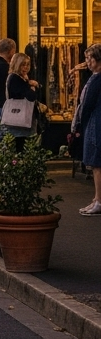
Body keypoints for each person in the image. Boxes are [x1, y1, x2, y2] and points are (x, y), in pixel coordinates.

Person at [73, 43, 101, 215]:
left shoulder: (97, 78)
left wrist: (79, 124)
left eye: (90, 58)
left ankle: (98, 199)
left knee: (97, 163)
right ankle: (97, 198)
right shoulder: (95, 77)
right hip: (94, 120)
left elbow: (88, 103)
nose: (87, 62)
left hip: (95, 122)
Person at [2, 52, 39, 149]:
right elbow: (31, 96)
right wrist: (32, 86)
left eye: (28, 64)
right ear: (17, 65)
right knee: (20, 146)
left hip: (19, 120)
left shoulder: (18, 78)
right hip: (19, 121)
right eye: (23, 64)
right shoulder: (15, 78)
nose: (26, 67)